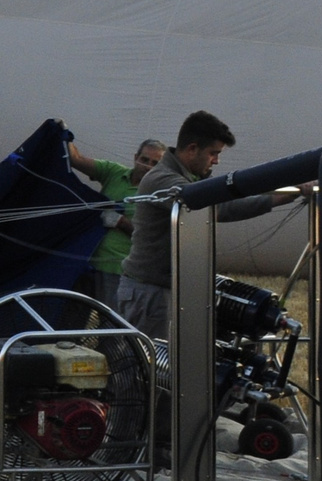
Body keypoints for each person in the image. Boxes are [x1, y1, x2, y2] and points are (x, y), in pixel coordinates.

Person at [116, 110, 300, 337]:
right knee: (153, 359)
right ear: (192, 149)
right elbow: (218, 207)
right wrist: (279, 197)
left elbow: (227, 192)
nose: (216, 160)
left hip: (166, 291)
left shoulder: (190, 178)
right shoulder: (163, 179)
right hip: (151, 294)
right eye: (213, 153)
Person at [67, 137, 163, 306]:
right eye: (144, 160)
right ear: (135, 158)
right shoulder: (115, 172)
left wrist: (122, 223)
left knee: (110, 319)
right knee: (73, 317)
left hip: (117, 269)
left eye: (155, 163)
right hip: (87, 260)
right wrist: (64, 134)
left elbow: (152, 240)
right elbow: (76, 159)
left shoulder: (159, 194)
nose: (148, 166)